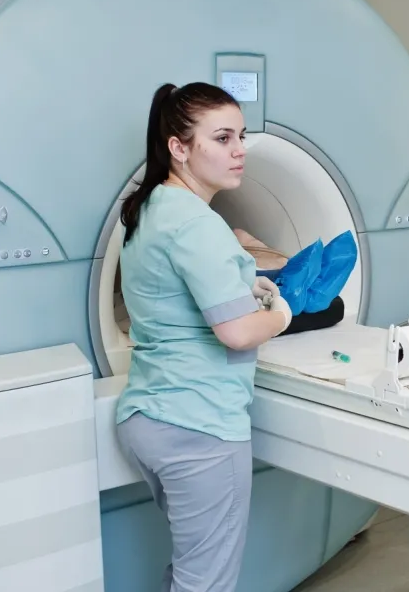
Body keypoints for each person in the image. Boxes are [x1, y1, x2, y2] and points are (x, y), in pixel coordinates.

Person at [114, 82, 293, 592]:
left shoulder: (148, 209)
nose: (239, 150)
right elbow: (237, 332)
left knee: (193, 570)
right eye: (221, 138)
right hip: (201, 427)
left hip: (150, 415)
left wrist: (243, 282)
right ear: (179, 147)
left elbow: (170, 296)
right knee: (205, 582)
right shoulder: (199, 223)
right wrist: (282, 312)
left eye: (240, 136)